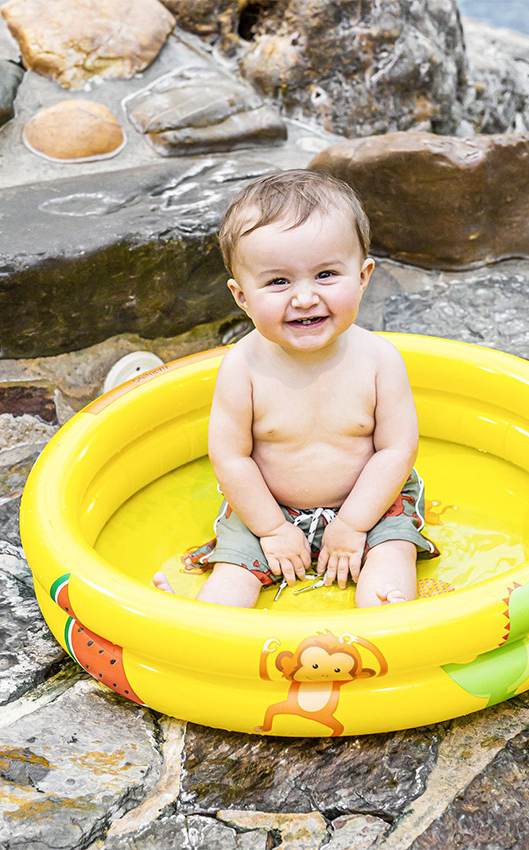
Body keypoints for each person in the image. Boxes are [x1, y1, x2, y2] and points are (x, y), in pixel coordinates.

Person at [153, 169, 437, 608]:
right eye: (278, 281)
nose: (304, 298)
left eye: (326, 274)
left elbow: (396, 451)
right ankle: (197, 618)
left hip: (372, 504)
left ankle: (389, 618)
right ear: (241, 296)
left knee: (391, 561)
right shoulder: (242, 368)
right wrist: (272, 530)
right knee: (232, 581)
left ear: (362, 276)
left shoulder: (380, 361)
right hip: (267, 509)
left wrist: (355, 524)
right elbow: (231, 458)